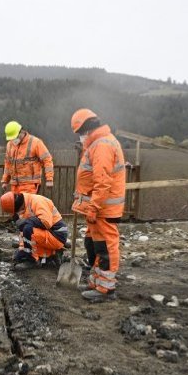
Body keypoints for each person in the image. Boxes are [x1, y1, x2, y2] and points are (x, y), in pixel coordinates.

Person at [70, 108, 126, 302]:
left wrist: (93, 207)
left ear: (86, 129)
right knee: (95, 245)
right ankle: (96, 282)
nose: (79, 137)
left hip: (104, 208)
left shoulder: (102, 145)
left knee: (106, 247)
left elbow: (102, 182)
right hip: (99, 207)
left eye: (79, 133)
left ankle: (106, 289)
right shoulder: (96, 144)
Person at [0, 191, 68, 269]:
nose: (16, 214)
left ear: (17, 206)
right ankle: (52, 253)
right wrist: (22, 250)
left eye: (15, 211)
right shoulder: (26, 204)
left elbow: (46, 223)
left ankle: (32, 260)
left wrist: (27, 221)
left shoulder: (37, 201)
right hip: (50, 233)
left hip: (57, 236)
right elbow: (24, 234)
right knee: (27, 230)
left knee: (28, 229)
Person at [1, 121, 54, 194]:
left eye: (15, 137)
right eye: (11, 138)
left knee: (28, 205)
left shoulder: (35, 142)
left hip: (30, 185)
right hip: (14, 185)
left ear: (21, 132)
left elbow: (47, 160)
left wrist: (49, 179)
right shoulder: (9, 145)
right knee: (15, 205)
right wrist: (5, 181)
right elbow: (8, 164)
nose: (13, 140)